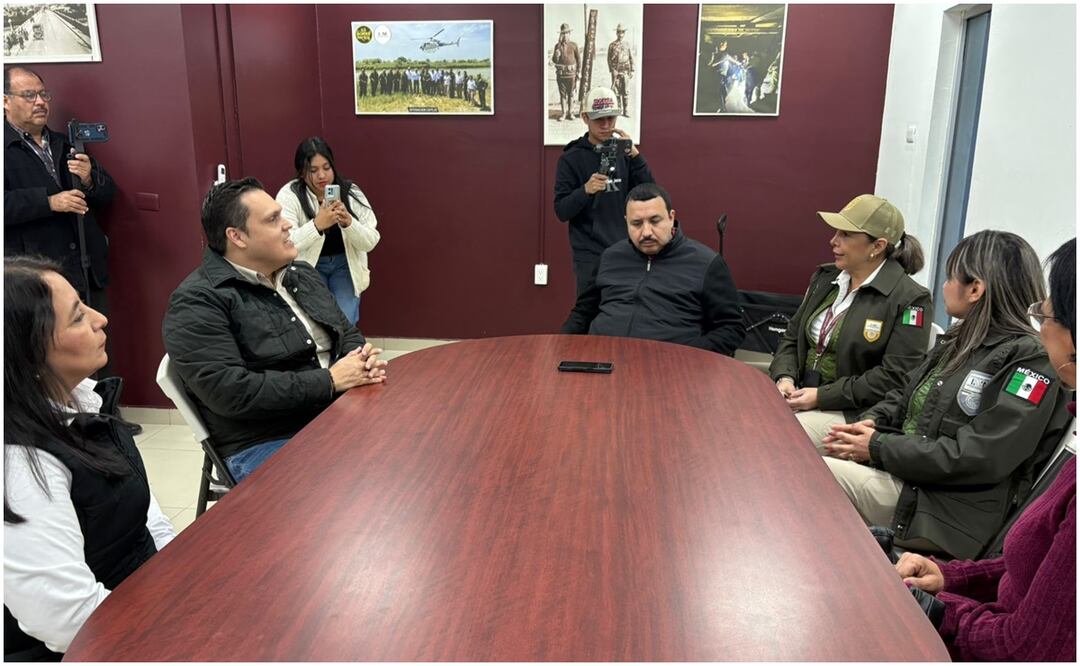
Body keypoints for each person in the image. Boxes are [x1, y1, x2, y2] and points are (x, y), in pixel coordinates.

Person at [823, 231, 1073, 560]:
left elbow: (980, 456)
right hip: (911, 480)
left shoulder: (1030, 360)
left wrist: (878, 446)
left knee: (812, 479)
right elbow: (905, 396)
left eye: (949, 277)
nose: (942, 286)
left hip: (945, 513)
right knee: (805, 455)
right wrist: (872, 424)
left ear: (974, 289)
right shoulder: (960, 339)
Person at [894, 238, 1076, 662]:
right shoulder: (959, 341)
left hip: (941, 499)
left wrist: (939, 609)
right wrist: (950, 578)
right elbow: (1040, 569)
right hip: (925, 487)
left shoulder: (1027, 362)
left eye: (1046, 314)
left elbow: (1027, 647)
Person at [3, 256, 175, 660]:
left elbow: (146, 516)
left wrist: (179, 577)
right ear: (28, 352)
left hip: (140, 604)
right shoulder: (19, 464)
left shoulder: (84, 400)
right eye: (78, 317)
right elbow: (68, 621)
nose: (101, 320)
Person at [162, 178, 387, 483]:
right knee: (372, 482)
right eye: (273, 219)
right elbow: (231, 392)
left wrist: (360, 359)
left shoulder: (301, 274)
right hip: (264, 441)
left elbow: (346, 333)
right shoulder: (198, 302)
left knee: (422, 442)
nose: (287, 225)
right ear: (237, 236)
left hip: (333, 414)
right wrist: (330, 380)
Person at [771, 195, 932, 448]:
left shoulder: (911, 299)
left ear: (877, 246)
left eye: (845, 234)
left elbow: (894, 377)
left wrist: (821, 397)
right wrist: (785, 378)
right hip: (800, 395)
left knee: (775, 436)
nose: (833, 240)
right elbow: (792, 338)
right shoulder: (825, 278)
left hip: (855, 413)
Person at [4, 66, 117, 366]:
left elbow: (107, 195)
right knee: (54, 358)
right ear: (5, 101)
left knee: (96, 351)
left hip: (84, 267)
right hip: (39, 278)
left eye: (43, 94)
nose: (40, 101)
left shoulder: (63, 142)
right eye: (29, 95)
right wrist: (49, 202)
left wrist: (91, 178)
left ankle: (104, 411)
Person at [561, 183, 744, 355]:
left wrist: (689, 356)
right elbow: (583, 312)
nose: (646, 232)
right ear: (626, 222)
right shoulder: (610, 257)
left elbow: (731, 328)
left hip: (670, 367)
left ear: (671, 217)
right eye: (637, 223)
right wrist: (559, 345)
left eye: (655, 221)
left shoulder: (706, 263)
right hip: (602, 359)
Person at [554, 87, 655, 297]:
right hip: (589, 255)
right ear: (585, 118)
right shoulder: (571, 158)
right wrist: (585, 190)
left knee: (626, 310)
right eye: (599, 119)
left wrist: (636, 156)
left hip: (627, 249)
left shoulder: (625, 153)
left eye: (611, 118)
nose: (606, 125)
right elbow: (561, 211)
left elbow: (651, 194)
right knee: (589, 315)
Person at [275, 137, 379, 327]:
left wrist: (349, 223)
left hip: (345, 266)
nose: (322, 176)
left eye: (326, 168)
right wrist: (317, 225)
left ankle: (345, 356)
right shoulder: (290, 194)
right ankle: (328, 357)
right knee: (317, 322)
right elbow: (285, 242)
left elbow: (371, 240)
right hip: (309, 268)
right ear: (301, 172)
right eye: (313, 170)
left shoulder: (350, 191)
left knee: (345, 321)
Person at [551, 23, 580, 121]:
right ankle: (563, 113)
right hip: (561, 75)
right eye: (563, 33)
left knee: (571, 94)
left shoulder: (574, 45)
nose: (564, 35)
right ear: (560, 35)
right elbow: (554, 60)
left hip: (571, 74)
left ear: (569, 34)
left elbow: (579, 60)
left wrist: (579, 72)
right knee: (562, 94)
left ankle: (570, 113)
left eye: (566, 33)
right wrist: (556, 55)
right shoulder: (557, 46)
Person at [606, 24, 634, 116]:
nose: (620, 34)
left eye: (622, 32)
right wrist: (612, 70)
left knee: (625, 91)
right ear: (616, 33)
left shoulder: (627, 44)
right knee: (616, 91)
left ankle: (626, 111)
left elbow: (631, 57)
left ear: (624, 33)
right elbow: (609, 59)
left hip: (625, 71)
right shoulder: (612, 45)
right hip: (616, 71)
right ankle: (619, 109)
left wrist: (632, 70)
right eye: (619, 32)